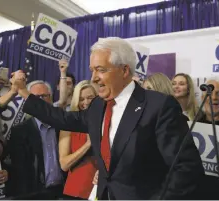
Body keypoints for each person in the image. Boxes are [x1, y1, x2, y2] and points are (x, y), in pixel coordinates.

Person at [12, 37, 204, 200]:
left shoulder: (159, 106)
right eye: (92, 70)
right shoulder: (98, 105)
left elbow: (186, 168)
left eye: (101, 70)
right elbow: (62, 117)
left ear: (124, 70)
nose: (93, 77)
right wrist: (24, 93)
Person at [9, 80, 64, 199]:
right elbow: (20, 171)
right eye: (35, 97)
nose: (41, 100)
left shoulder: (63, 126)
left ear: (51, 98)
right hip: (35, 193)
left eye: (45, 96)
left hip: (63, 191)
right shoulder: (20, 131)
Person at [59, 80, 97, 199]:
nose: (86, 102)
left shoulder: (106, 122)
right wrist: (88, 145)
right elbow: (64, 164)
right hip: (76, 191)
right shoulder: (68, 125)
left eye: (90, 97)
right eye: (81, 99)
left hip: (101, 189)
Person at [196, 78, 219, 200]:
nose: (214, 98)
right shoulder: (193, 126)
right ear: (202, 98)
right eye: (209, 94)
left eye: (218, 93)